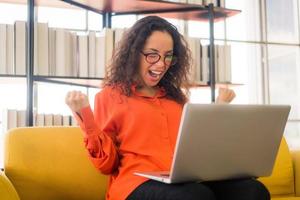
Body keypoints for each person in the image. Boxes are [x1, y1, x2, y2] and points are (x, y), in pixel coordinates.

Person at [65, 16, 269, 200]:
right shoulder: (109, 96)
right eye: (152, 55)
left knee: (253, 190)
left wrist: (219, 110)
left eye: (168, 56)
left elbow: (196, 146)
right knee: (195, 196)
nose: (161, 64)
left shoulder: (177, 99)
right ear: (134, 54)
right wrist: (84, 116)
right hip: (135, 184)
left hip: (182, 180)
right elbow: (106, 165)